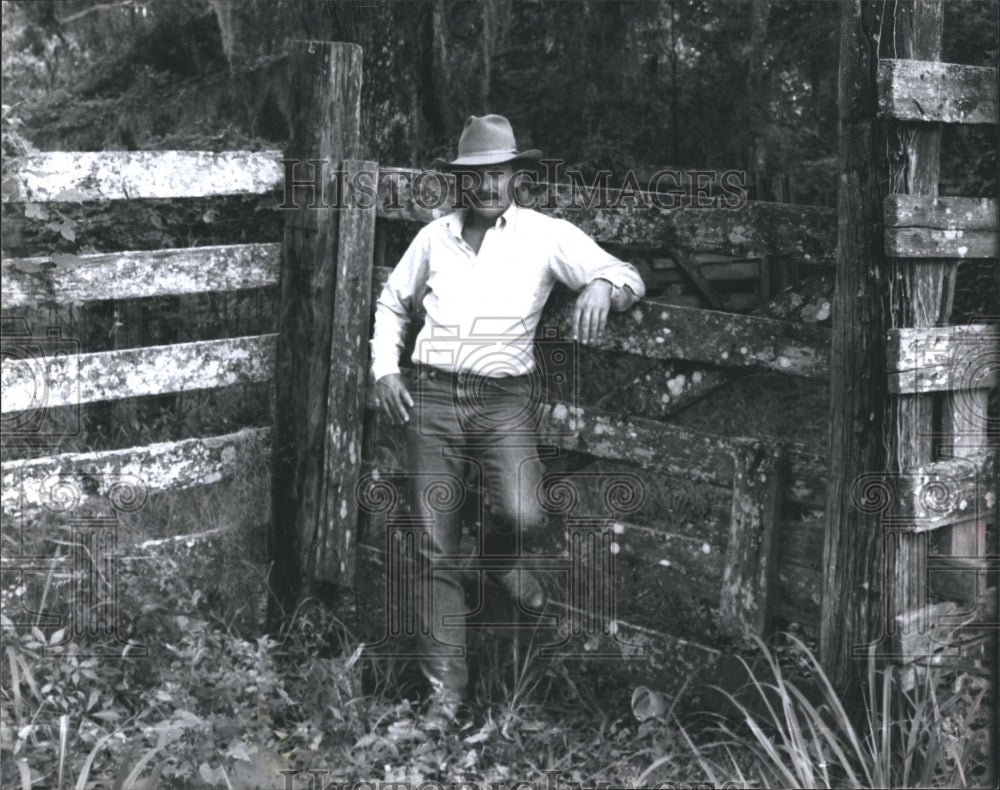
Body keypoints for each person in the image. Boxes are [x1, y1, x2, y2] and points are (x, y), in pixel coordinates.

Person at [370, 114, 645, 733]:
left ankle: (496, 560)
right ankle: (445, 699)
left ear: (516, 175)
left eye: (499, 172)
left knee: (525, 512)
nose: (488, 184)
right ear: (461, 181)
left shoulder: (546, 236)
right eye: (476, 175)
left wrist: (601, 286)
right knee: (435, 546)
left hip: (502, 401)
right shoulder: (434, 238)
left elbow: (628, 274)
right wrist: (385, 371)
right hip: (432, 397)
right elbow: (392, 302)